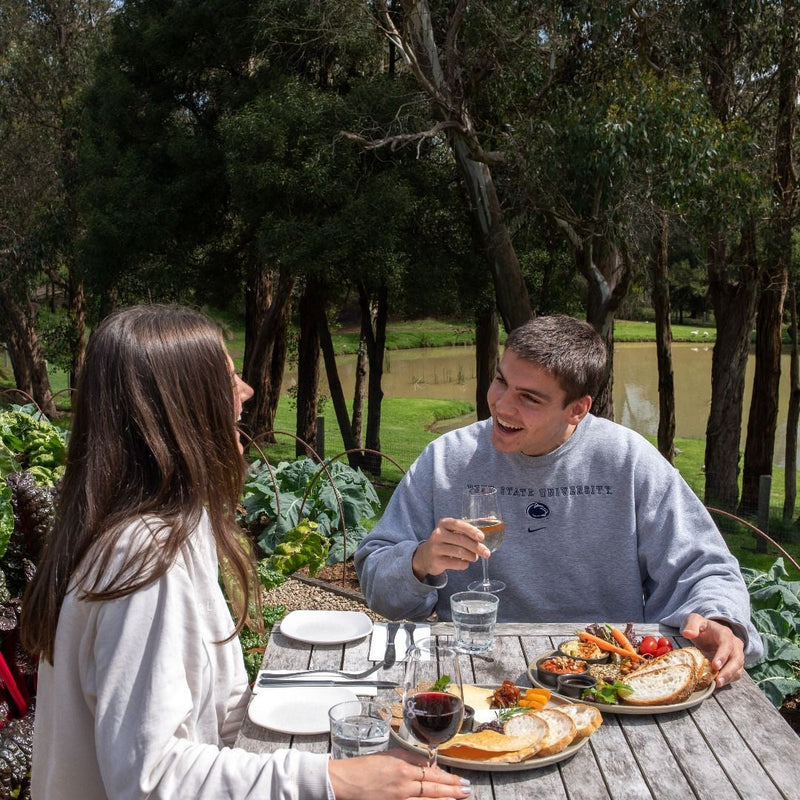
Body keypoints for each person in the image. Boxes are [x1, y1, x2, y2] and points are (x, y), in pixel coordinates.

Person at [21, 305, 470, 800]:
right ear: (182, 407)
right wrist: (331, 780)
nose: (248, 392)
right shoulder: (145, 560)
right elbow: (149, 779)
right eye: (229, 378)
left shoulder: (170, 526)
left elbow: (214, 712)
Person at [355, 314, 763, 688]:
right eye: (501, 381)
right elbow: (378, 584)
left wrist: (719, 618)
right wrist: (419, 561)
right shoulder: (446, 459)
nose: (501, 405)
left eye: (530, 398)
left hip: (607, 678)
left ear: (578, 409)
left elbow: (705, 565)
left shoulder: (628, 461)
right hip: (470, 673)